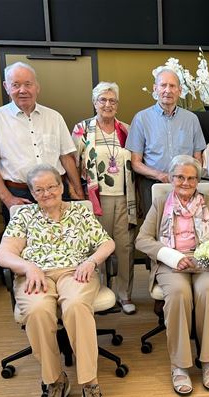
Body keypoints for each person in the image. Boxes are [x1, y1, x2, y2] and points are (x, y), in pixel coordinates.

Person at [0, 164, 115, 397]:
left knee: (75, 305)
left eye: (51, 186)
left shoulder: (80, 213)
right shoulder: (23, 216)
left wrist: (91, 261)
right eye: (39, 189)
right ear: (32, 192)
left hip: (75, 272)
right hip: (35, 275)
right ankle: (55, 381)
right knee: (37, 310)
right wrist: (28, 267)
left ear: (61, 187)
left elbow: (107, 242)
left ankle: (89, 384)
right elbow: (2, 254)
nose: (47, 193)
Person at [135, 155, 209, 396]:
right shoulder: (160, 203)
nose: (185, 182)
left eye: (191, 178)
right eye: (180, 177)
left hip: (205, 262)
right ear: (171, 178)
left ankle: (208, 360)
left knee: (208, 291)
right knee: (179, 293)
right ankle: (179, 365)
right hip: (173, 262)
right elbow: (143, 240)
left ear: (198, 180)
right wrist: (173, 257)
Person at [0, 61, 84, 224]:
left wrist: (78, 191)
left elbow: (66, 158)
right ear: (6, 87)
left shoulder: (54, 117)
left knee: (64, 243)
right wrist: (8, 199)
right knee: (21, 246)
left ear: (37, 87)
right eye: (16, 85)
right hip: (20, 195)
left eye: (28, 84)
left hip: (58, 193)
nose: (22, 90)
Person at [72, 82, 137, 315]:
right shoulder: (82, 129)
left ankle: (124, 295)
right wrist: (77, 194)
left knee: (124, 248)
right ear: (94, 102)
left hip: (124, 197)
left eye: (112, 100)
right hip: (95, 199)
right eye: (103, 100)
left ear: (117, 104)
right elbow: (72, 162)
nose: (108, 104)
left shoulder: (127, 129)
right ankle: (96, 293)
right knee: (95, 248)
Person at [126, 67, 206, 218]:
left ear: (180, 90)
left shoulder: (191, 120)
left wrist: (188, 181)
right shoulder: (141, 119)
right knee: (155, 230)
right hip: (153, 186)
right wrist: (160, 175)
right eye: (163, 85)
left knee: (185, 231)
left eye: (172, 86)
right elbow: (135, 163)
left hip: (186, 187)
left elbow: (198, 158)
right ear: (155, 89)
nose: (167, 90)